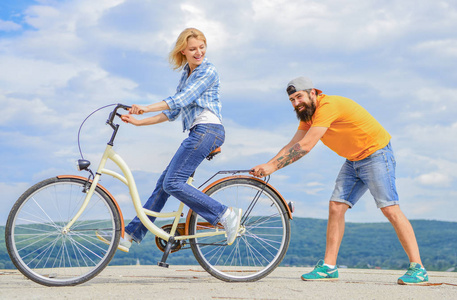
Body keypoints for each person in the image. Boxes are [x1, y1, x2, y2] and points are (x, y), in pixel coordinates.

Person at [250, 76, 428, 285]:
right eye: (292, 100)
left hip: (376, 154)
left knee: (389, 208)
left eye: (299, 97)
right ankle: (329, 267)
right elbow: (293, 144)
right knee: (336, 206)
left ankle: (418, 269)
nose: (296, 103)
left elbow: (306, 146)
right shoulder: (307, 116)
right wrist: (268, 164)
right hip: (354, 160)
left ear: (313, 92)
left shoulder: (328, 106)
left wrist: (273, 167)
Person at [96, 28, 241, 252]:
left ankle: (224, 214)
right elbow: (172, 112)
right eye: (193, 49)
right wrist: (137, 121)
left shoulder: (208, 71)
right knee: (164, 184)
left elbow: (181, 99)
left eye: (202, 47)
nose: (198, 52)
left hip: (208, 130)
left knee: (173, 183)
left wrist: (144, 108)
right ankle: (131, 234)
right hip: (198, 131)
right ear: (183, 50)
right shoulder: (186, 73)